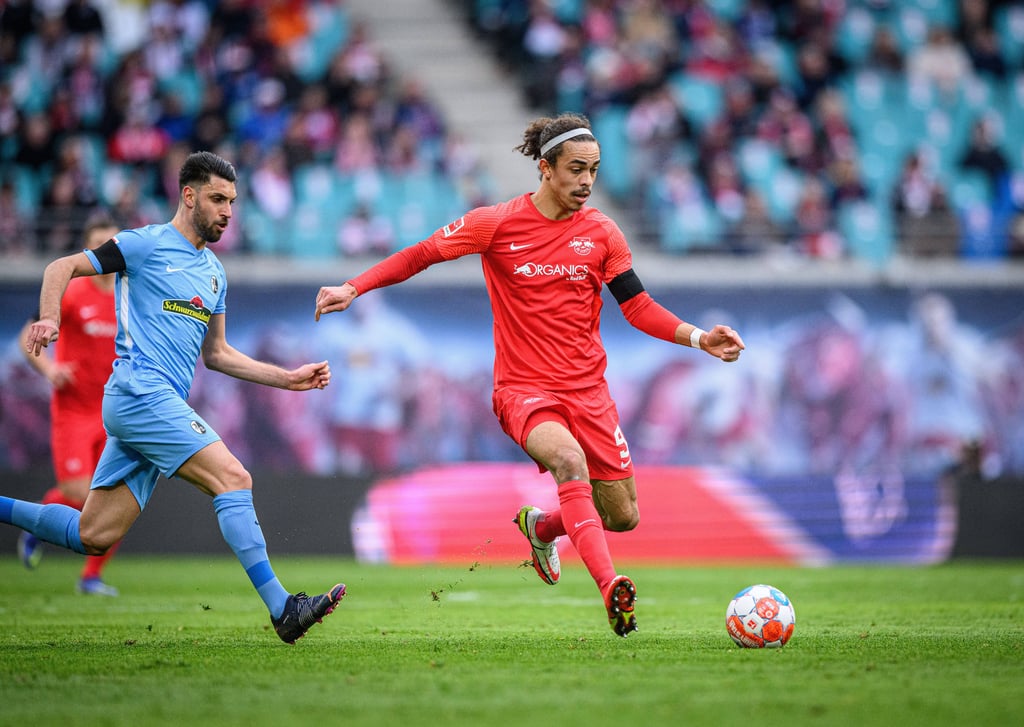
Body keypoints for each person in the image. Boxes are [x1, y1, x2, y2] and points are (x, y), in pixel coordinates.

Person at [315, 114, 745, 637]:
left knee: (623, 515)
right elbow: (421, 254)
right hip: (523, 390)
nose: (587, 181)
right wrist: (354, 287)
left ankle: (542, 528)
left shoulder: (603, 232)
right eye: (576, 169)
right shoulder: (495, 224)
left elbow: (637, 307)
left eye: (594, 170)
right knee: (569, 461)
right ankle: (611, 587)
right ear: (545, 168)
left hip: (590, 393)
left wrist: (700, 338)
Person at [2, 151, 345, 644]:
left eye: (232, 201)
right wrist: (51, 318)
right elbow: (62, 266)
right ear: (188, 196)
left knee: (93, 534)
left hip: (151, 405)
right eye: (218, 199)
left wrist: (287, 379)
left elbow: (218, 354)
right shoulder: (143, 244)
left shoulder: (215, 273)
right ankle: (282, 608)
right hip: (139, 392)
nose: (228, 211)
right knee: (233, 477)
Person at [16, 212, 122, 596]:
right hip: (74, 411)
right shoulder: (73, 291)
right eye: (98, 245)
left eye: (111, 245)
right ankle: (39, 518)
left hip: (115, 413)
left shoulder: (130, 294)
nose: (106, 253)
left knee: (119, 500)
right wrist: (49, 370)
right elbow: (27, 338)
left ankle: (91, 577)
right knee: (78, 494)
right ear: (87, 250)